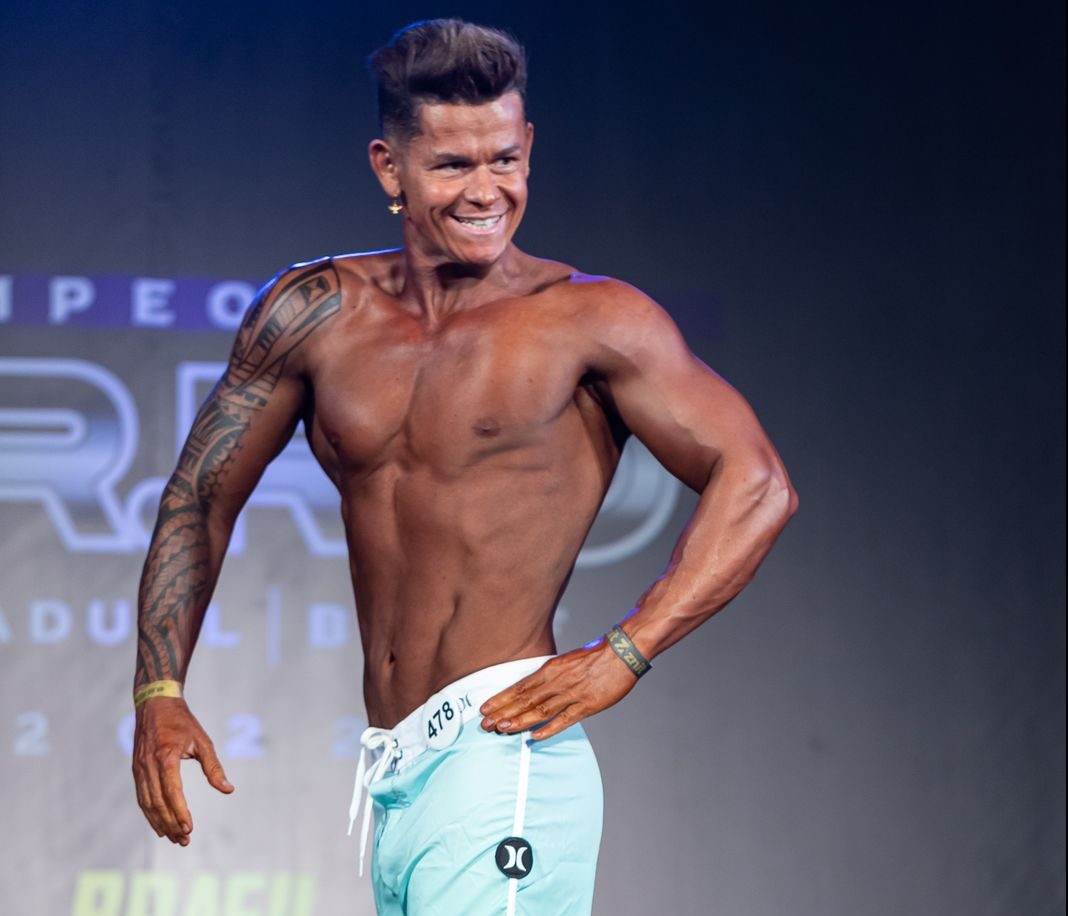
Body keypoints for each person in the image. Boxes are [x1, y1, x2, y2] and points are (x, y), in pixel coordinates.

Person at [131, 17, 798, 916]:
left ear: (529, 148)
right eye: (452, 166)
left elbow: (757, 484)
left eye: (505, 160)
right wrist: (159, 688)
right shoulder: (313, 312)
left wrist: (625, 653)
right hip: (396, 770)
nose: (487, 191)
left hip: (502, 752)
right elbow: (198, 499)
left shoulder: (592, 320)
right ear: (390, 168)